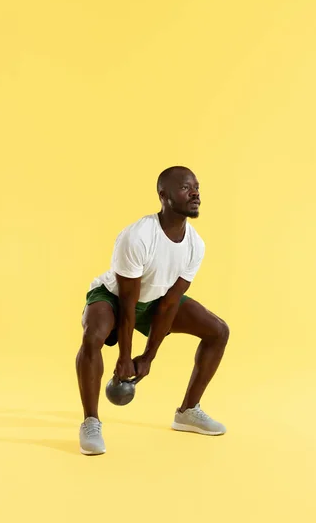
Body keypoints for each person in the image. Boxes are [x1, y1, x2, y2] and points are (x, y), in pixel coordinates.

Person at [76, 166, 229, 455]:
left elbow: (170, 303)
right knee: (92, 336)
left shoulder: (196, 245)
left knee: (218, 331)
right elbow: (127, 302)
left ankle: (187, 412)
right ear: (163, 195)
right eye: (186, 187)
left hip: (156, 299)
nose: (195, 192)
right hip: (113, 296)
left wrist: (148, 357)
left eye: (197, 187)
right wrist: (123, 358)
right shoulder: (138, 236)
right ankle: (91, 421)